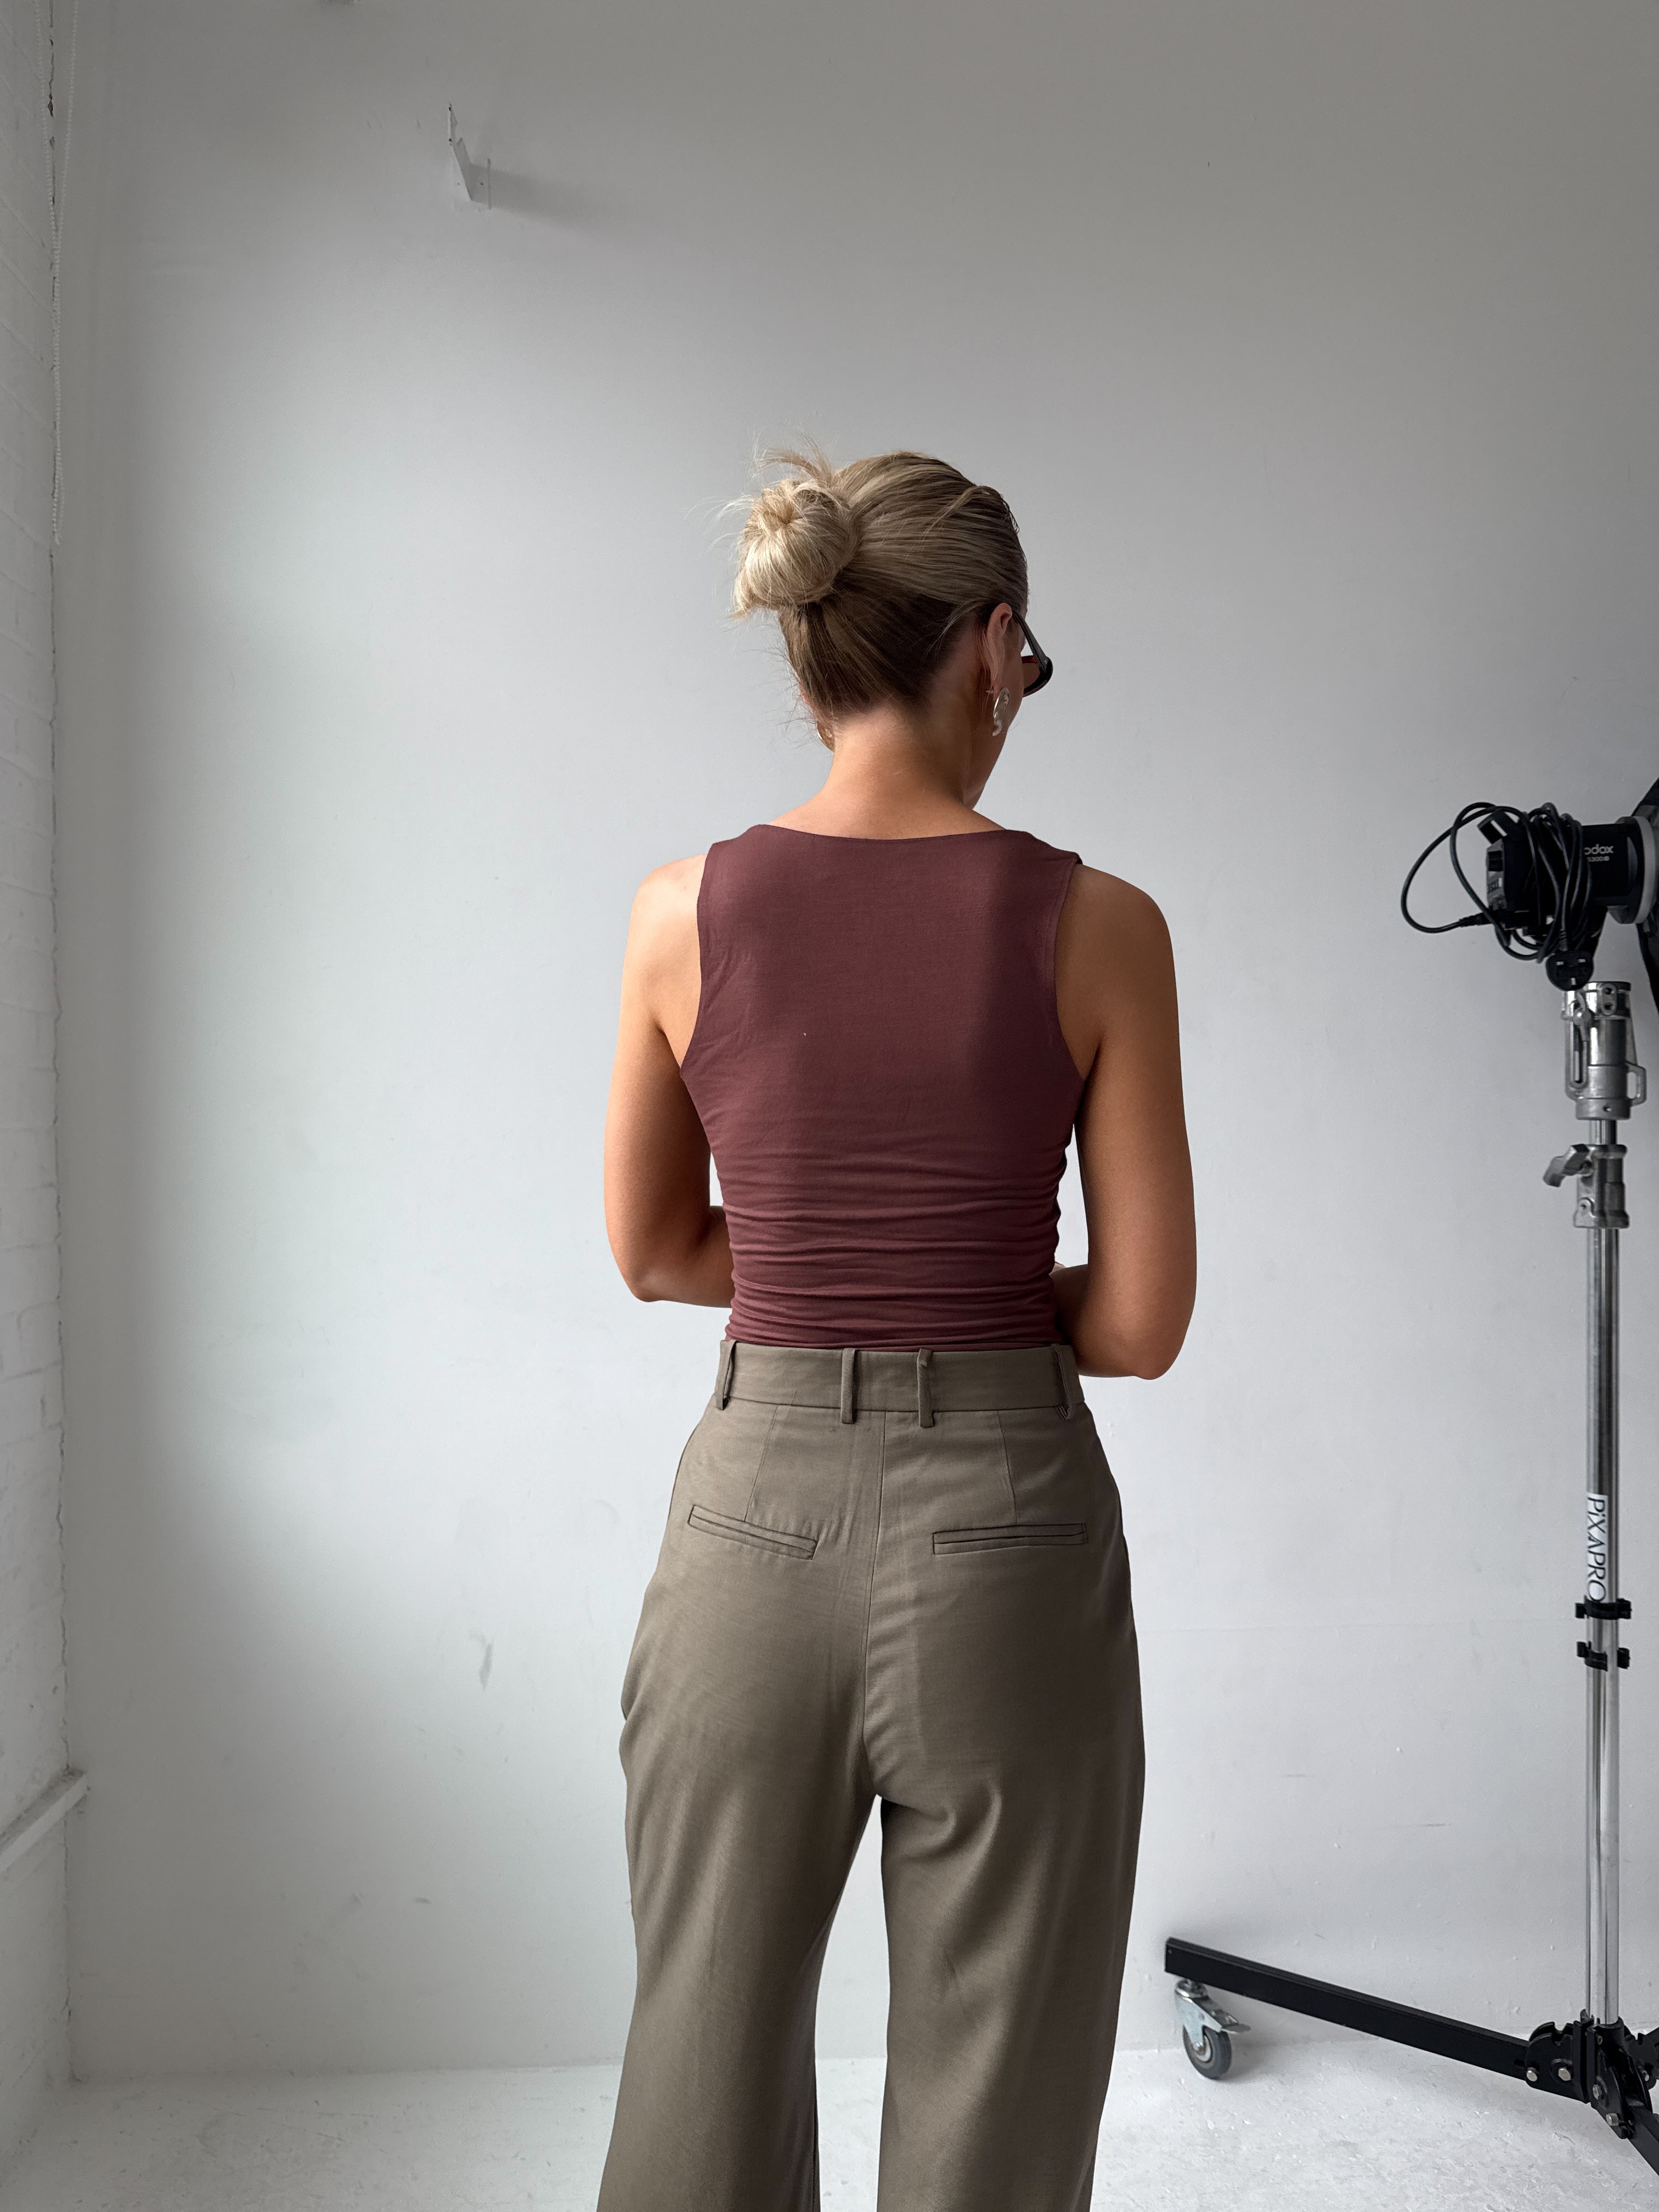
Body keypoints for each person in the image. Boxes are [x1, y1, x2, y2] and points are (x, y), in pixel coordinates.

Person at [598, 446, 1196, 2212]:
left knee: (697, 2064)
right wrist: (974, 1299)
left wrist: (814, 1274)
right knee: (998, 2105)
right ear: (993, 644)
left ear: (812, 656)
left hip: (746, 1527)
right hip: (1006, 1531)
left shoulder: (676, 913)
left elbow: (651, 1250)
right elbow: (1144, 1319)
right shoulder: (1099, 926)